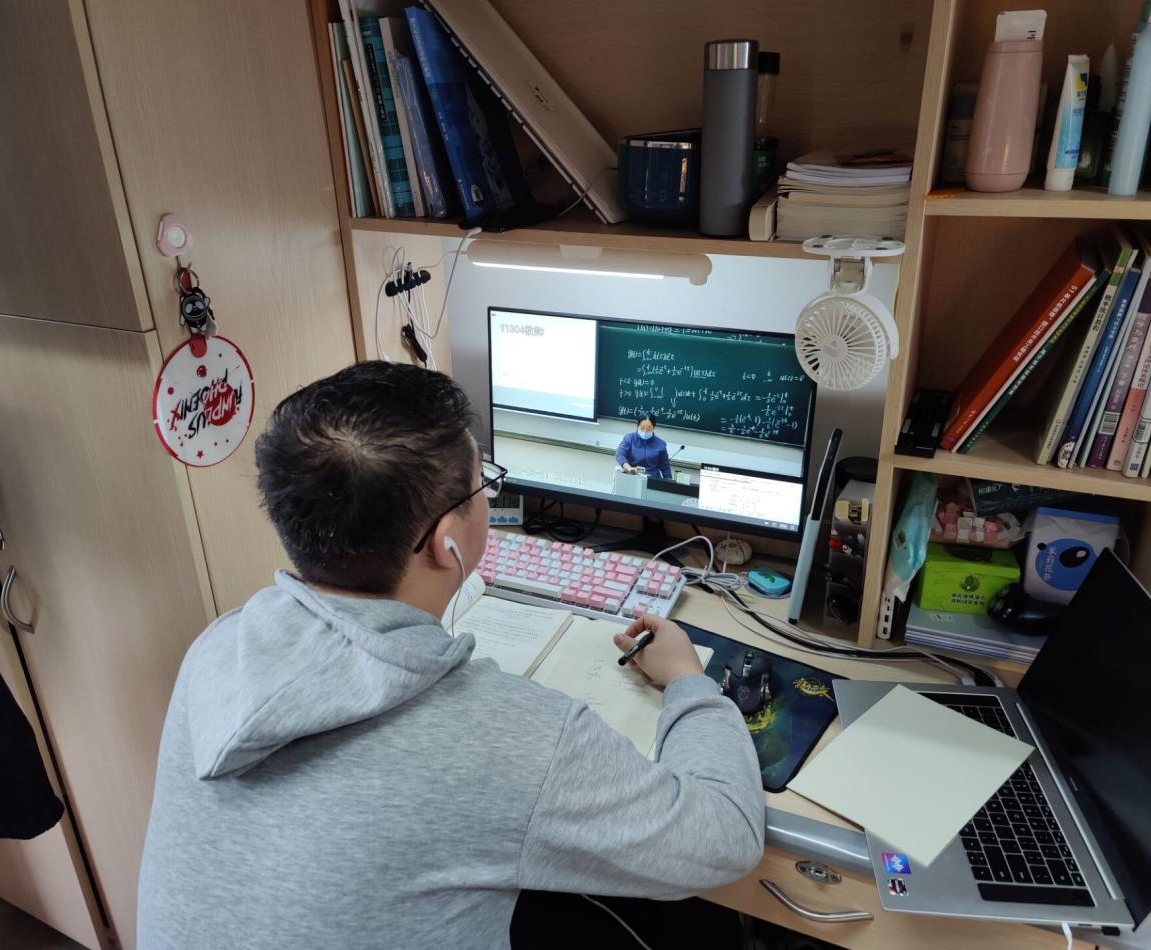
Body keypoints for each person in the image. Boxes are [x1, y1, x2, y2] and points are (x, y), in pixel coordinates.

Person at [137, 362, 763, 950]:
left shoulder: (217, 647)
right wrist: (687, 678)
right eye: (482, 483)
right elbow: (726, 836)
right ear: (446, 542)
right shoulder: (517, 739)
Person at [616, 413, 673, 479]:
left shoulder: (661, 444)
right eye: (642, 428)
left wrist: (669, 481)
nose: (645, 431)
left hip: (652, 480)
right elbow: (620, 454)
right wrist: (629, 468)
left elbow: (665, 467)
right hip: (632, 477)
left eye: (649, 428)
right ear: (637, 426)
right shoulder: (629, 438)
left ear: (653, 427)